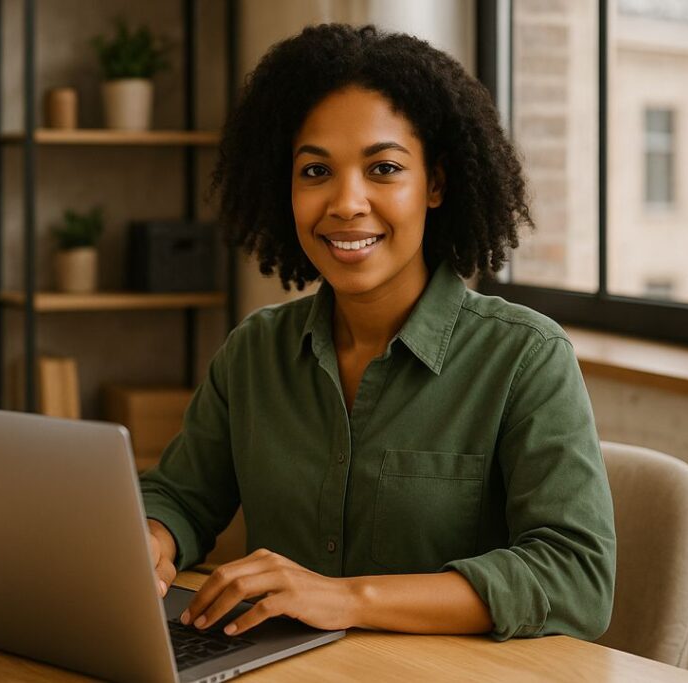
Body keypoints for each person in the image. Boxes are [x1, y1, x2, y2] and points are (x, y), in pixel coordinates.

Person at [139, 23, 616, 642]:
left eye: (384, 168)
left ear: (436, 185)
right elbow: (180, 495)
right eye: (315, 172)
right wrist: (151, 537)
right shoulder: (253, 353)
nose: (346, 202)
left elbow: (577, 578)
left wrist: (347, 599)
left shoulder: (526, 358)